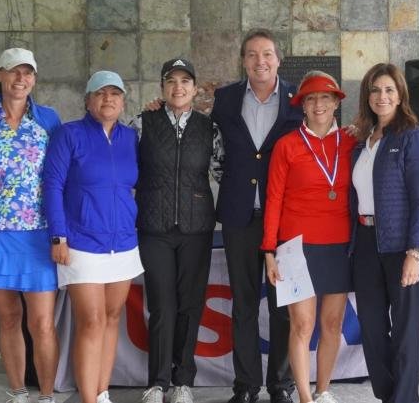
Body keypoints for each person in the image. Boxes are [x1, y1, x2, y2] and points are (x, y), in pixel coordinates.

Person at [0, 48, 61, 403]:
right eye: (13, 71)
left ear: (34, 78)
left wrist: (61, 232)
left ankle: (47, 396)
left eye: (27, 72)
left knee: (42, 323)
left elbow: (60, 173)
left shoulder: (48, 119)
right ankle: (19, 393)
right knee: (8, 319)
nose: (21, 79)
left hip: (40, 233)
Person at [210, 28, 302, 403]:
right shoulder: (225, 99)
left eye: (266, 54)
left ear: (278, 60)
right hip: (239, 216)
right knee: (244, 305)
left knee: (283, 306)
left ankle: (280, 384)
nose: (259, 61)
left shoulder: (298, 100)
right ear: (243, 61)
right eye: (251, 54)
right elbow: (215, 150)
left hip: (285, 218)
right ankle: (246, 385)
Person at [42, 71, 144, 403]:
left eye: (115, 93)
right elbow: (52, 186)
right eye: (100, 93)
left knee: (112, 318)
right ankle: (88, 398)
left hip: (123, 243)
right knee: (92, 321)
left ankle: (102, 393)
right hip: (81, 243)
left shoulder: (130, 138)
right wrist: (58, 235)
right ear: (88, 100)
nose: (108, 99)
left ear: (123, 102)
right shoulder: (68, 134)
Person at [262, 71, 355, 403]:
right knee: (302, 325)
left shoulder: (351, 142)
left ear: (336, 103)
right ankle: (304, 397)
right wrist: (269, 250)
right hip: (294, 247)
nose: (318, 105)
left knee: (332, 324)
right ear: (302, 106)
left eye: (325, 98)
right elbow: (273, 199)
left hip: (339, 245)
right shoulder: (286, 145)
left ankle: (323, 390)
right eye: (311, 99)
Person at [137, 58, 223, 403]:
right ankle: (157, 383)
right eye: (171, 81)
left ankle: (183, 381)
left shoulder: (208, 128)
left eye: (185, 81)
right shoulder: (142, 123)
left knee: (190, 304)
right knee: (161, 304)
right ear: (162, 87)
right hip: (154, 227)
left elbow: (224, 172)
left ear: (195, 88)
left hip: (196, 227)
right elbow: (123, 168)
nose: (178, 87)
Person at [349, 63, 419, 403]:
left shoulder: (411, 136)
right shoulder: (361, 141)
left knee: (404, 331)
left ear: (400, 95)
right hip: (366, 243)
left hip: (404, 247)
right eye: (375, 90)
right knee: (371, 330)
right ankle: (390, 396)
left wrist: (416, 252)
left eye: (388, 90)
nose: (381, 96)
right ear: (366, 96)